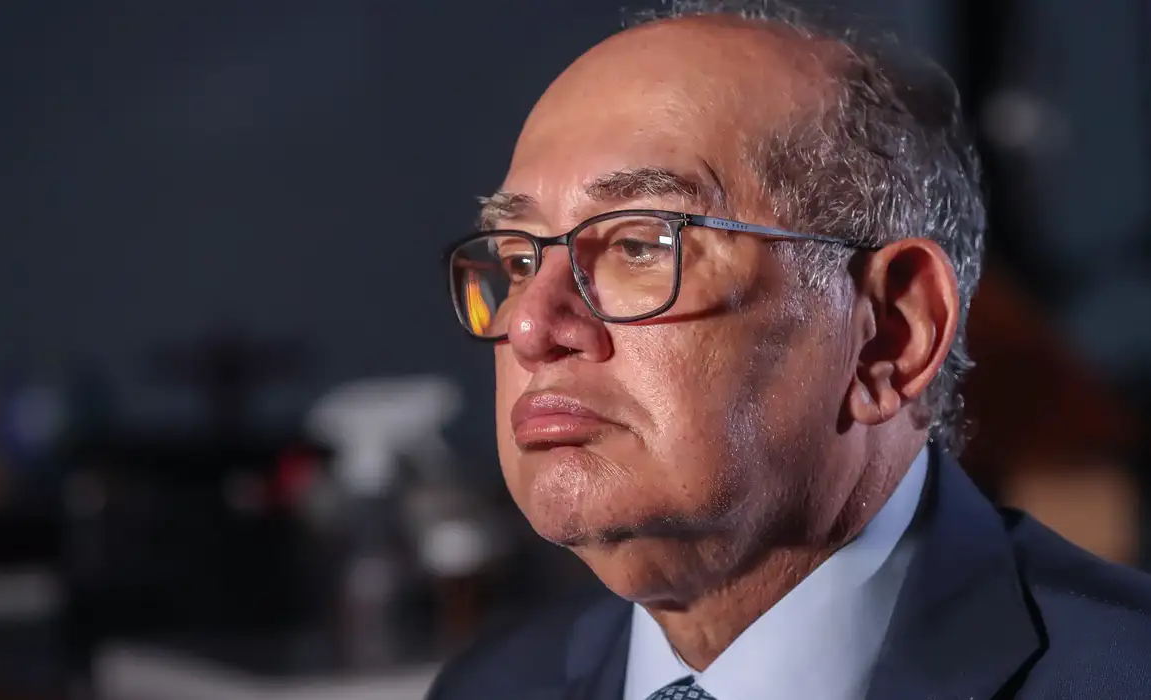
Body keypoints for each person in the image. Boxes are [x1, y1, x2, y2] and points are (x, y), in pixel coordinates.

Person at [431, 3, 1151, 699]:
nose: (529, 326)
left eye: (640, 245)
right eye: (517, 259)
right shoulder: (490, 686)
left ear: (891, 333)